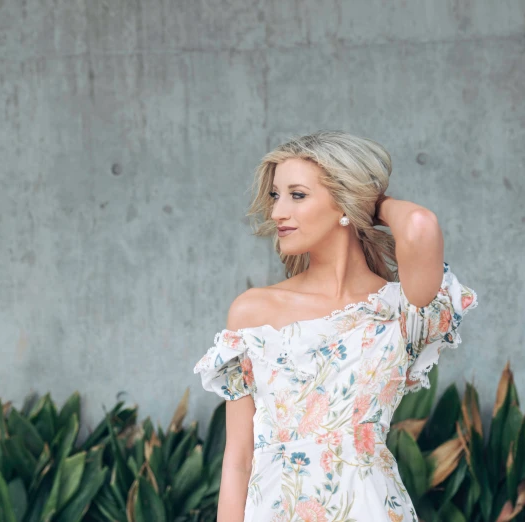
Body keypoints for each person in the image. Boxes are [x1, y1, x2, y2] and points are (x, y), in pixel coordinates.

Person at [193, 130, 478, 522]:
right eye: (276, 195)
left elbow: (419, 224)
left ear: (345, 202)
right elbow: (239, 458)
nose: (277, 212)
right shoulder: (254, 312)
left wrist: (372, 203)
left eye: (297, 195)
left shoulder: (400, 311)